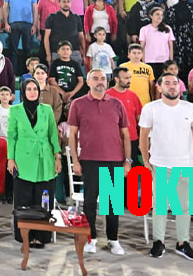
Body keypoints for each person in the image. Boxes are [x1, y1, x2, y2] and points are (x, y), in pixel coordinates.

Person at [67, 69, 132, 255]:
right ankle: (91, 238)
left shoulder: (117, 104)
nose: (100, 81)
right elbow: (72, 135)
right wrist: (75, 161)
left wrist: (127, 161)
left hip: (114, 160)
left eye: (103, 78)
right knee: (89, 203)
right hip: (89, 160)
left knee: (112, 204)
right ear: (88, 82)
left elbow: (125, 135)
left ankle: (113, 239)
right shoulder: (78, 104)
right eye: (95, 78)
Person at [140, 73, 193, 261]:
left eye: (175, 83)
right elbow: (143, 136)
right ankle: (158, 242)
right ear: (159, 87)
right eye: (167, 83)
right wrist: (146, 161)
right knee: (160, 206)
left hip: (186, 164)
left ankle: (182, 243)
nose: (172, 86)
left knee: (184, 207)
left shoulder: (190, 108)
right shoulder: (151, 108)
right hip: (160, 163)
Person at [7, 78, 62, 247]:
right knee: (24, 199)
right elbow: (11, 136)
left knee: (43, 198)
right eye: (29, 89)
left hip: (44, 157)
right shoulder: (15, 110)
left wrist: (57, 155)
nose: (32, 92)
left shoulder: (46, 109)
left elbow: (53, 133)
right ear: (23, 92)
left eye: (35, 89)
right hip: (23, 158)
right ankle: (24, 235)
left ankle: (41, 236)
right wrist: (10, 158)